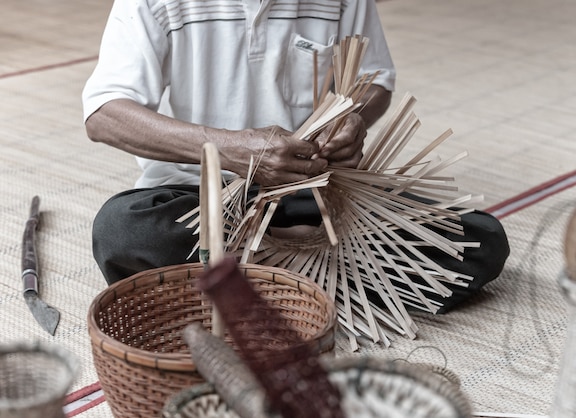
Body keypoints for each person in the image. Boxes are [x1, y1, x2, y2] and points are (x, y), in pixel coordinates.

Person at [83, 0, 509, 313]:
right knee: (125, 235)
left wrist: (353, 118)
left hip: (311, 195)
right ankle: (313, 285)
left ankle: (246, 288)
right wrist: (229, 149)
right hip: (199, 202)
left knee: (478, 241)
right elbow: (104, 114)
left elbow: (375, 80)